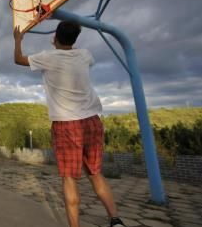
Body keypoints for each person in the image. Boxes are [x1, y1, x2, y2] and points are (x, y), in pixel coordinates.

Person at [13, 22, 126, 227]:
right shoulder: (85, 55)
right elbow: (72, 51)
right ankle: (115, 220)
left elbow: (18, 59)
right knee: (95, 173)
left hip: (67, 124)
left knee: (69, 178)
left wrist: (18, 39)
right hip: (92, 120)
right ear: (75, 38)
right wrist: (62, 40)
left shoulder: (47, 57)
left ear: (55, 36)